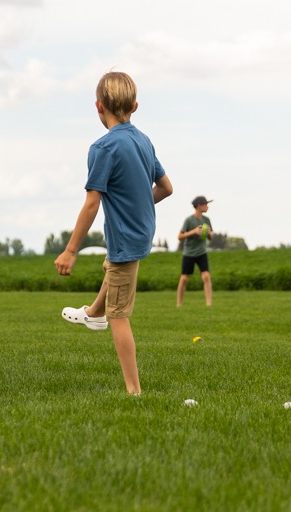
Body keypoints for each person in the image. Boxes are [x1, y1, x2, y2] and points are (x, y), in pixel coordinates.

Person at [55, 71, 173, 395]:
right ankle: (93, 314)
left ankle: (134, 392)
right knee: (113, 269)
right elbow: (165, 188)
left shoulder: (103, 148)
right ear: (135, 106)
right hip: (143, 231)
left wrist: (70, 250)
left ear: (98, 107)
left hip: (125, 236)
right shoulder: (144, 141)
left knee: (119, 314)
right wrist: (139, 204)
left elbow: (92, 203)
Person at [176, 196, 213, 308]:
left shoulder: (207, 220)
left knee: (206, 276)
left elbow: (210, 238)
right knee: (184, 279)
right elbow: (180, 236)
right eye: (205, 204)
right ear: (199, 206)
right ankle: (179, 304)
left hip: (202, 252)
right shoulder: (189, 220)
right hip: (189, 253)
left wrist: (208, 233)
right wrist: (194, 231)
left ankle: (209, 304)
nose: (207, 206)